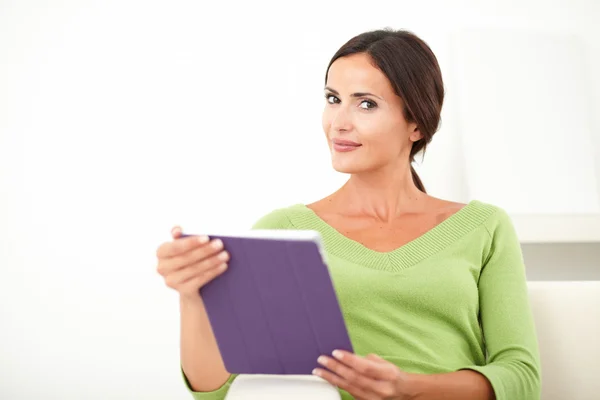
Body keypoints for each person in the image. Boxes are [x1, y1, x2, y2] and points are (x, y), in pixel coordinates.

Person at [155, 28, 541, 400]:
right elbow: (217, 390)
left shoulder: (484, 227)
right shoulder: (281, 232)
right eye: (333, 98)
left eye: (366, 103)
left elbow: (521, 379)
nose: (339, 122)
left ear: (417, 123)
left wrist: (408, 388)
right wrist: (192, 298)